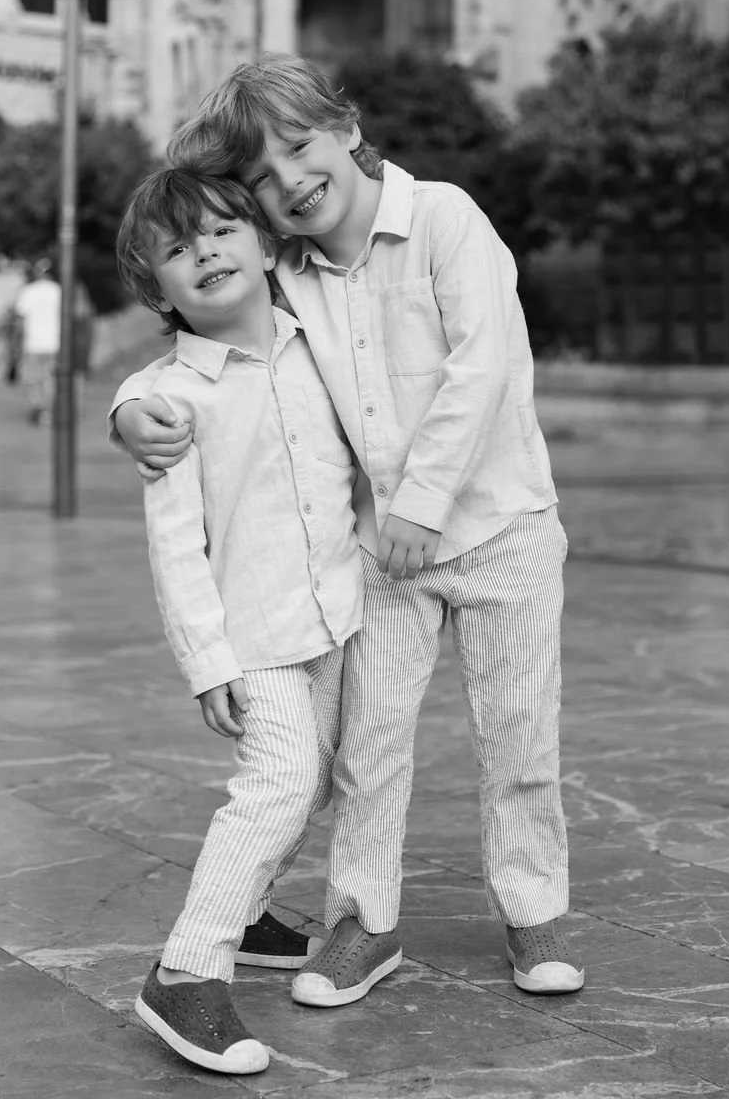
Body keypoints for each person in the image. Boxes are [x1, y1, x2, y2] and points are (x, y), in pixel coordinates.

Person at [111, 54, 584, 1008]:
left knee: (520, 739)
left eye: (301, 147)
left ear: (348, 127)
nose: (291, 181)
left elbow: (482, 366)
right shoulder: (284, 266)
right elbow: (208, 342)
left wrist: (423, 502)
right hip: (382, 557)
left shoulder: (445, 217)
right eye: (263, 178)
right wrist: (128, 411)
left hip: (503, 528)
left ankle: (534, 914)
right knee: (368, 750)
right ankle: (364, 922)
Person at [113, 166, 366, 1075]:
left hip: (337, 615)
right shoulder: (169, 403)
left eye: (222, 231)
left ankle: (250, 911)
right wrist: (206, 662)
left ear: (267, 246)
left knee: (318, 779)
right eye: (177, 249)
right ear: (158, 290)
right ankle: (187, 970)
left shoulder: (321, 343)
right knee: (280, 780)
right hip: (252, 636)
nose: (206, 253)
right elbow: (175, 548)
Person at [13, 258, 61, 425]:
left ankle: (37, 407)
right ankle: (48, 411)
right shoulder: (59, 291)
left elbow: (20, 321)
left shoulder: (28, 291)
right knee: (50, 379)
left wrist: (17, 344)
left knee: (32, 379)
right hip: (55, 344)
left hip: (32, 343)